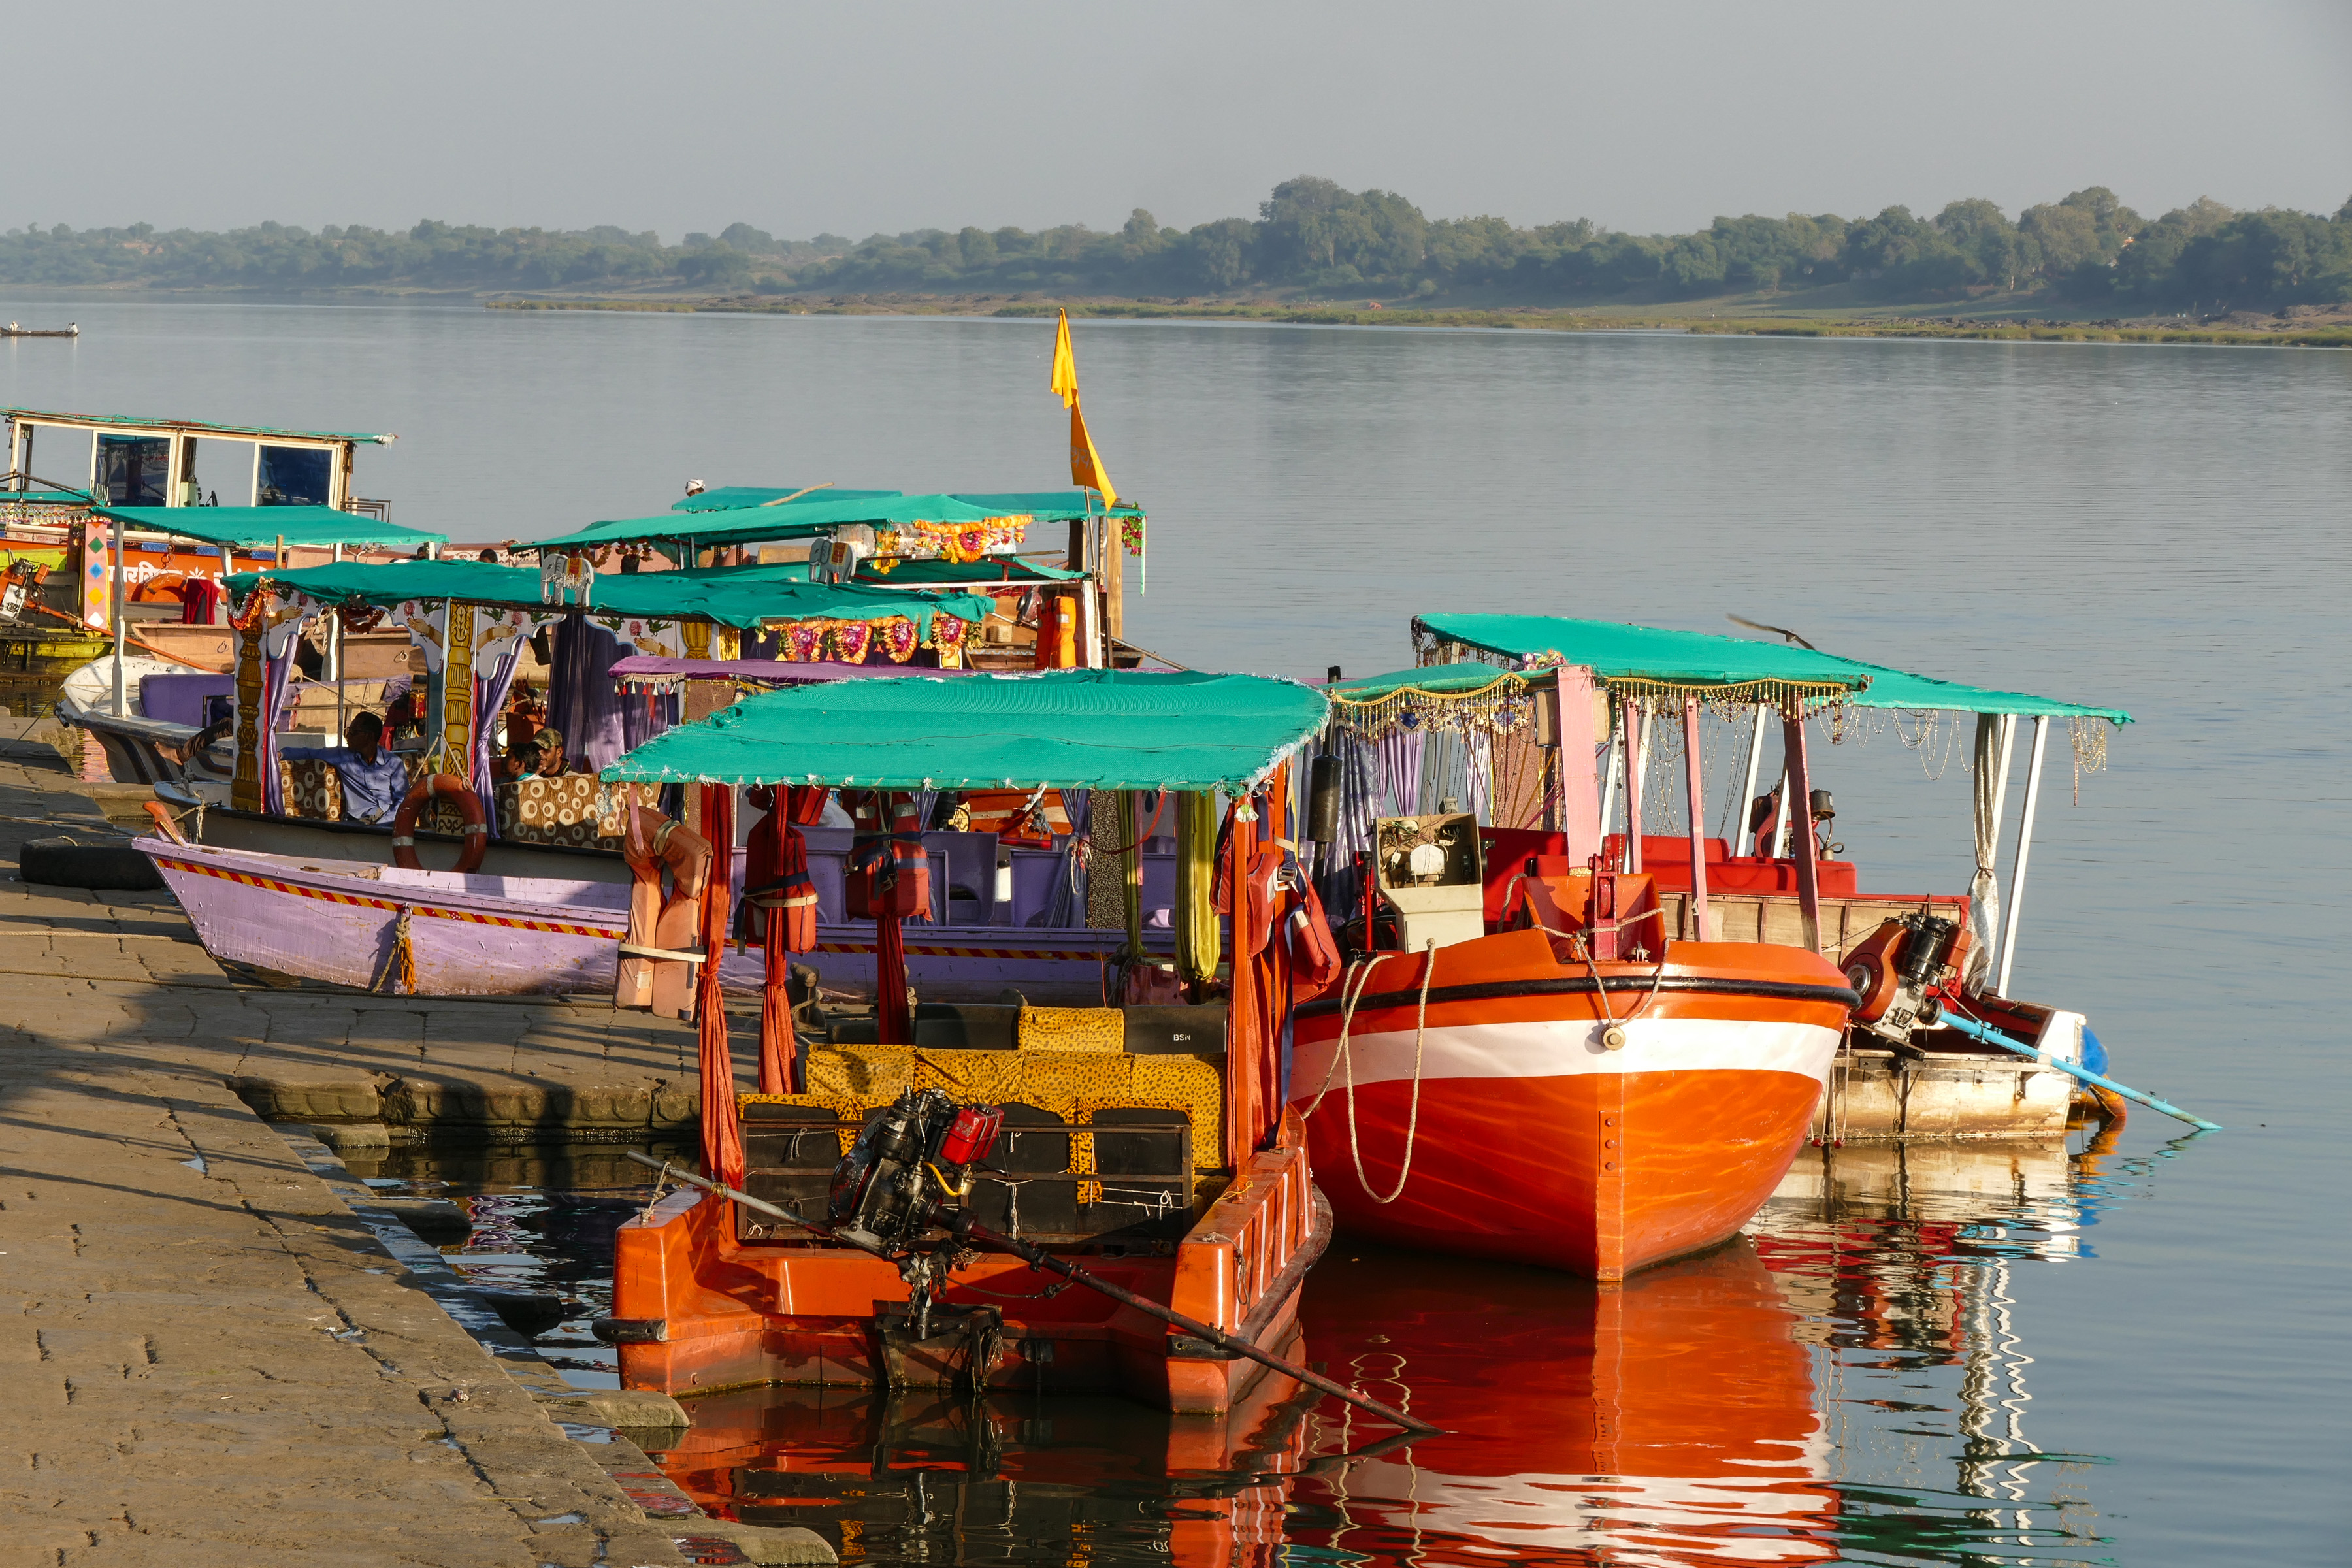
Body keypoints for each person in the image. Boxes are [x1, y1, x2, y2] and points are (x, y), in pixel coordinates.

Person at [280, 711, 410, 825]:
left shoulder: (393, 763)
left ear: (370, 736)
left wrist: (385, 823)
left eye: (353, 732)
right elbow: (310, 753)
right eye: (348, 731)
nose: (348, 736)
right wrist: (281, 754)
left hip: (388, 820)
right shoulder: (342, 756)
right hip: (361, 820)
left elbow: (403, 800)